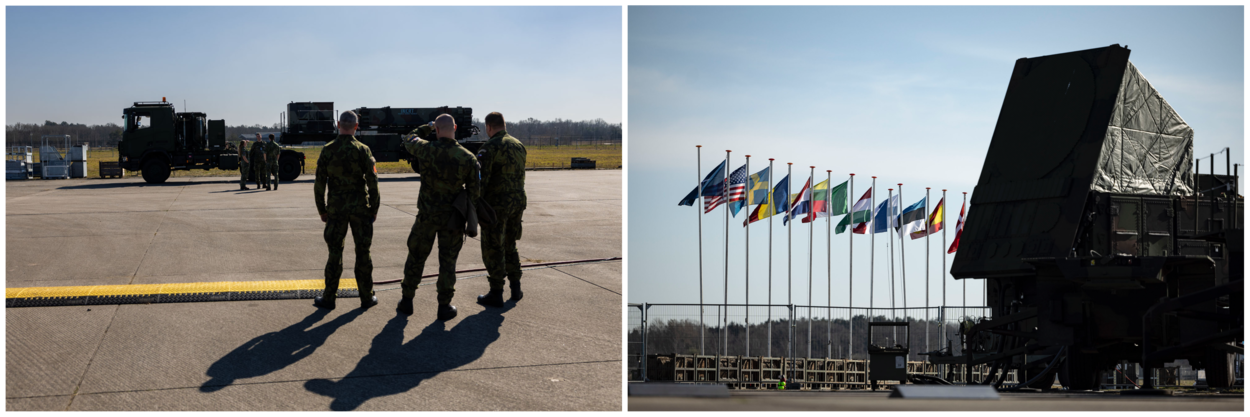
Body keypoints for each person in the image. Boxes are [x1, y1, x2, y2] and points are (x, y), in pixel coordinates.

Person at [397, 114, 480, 321]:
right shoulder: (468, 158)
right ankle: (444, 305)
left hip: (427, 216)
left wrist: (426, 127)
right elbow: (475, 193)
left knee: (416, 256)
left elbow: (409, 138)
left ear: (437, 130)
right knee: (448, 261)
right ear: (455, 127)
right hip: (452, 218)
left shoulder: (426, 148)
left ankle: (407, 300)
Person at [312, 110, 379, 310]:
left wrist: (321, 209)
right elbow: (373, 182)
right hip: (360, 208)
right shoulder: (363, 150)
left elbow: (319, 184)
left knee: (334, 253)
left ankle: (329, 298)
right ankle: (367, 297)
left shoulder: (328, 150)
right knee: (363, 253)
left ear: (338, 124)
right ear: (356, 127)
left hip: (336, 209)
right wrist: (374, 208)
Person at [474, 112, 527, 307]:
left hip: (496, 206)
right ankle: (516, 288)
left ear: (488, 127)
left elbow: (482, 181)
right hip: (517, 203)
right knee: (510, 244)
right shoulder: (519, 145)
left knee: (493, 247)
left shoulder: (489, 148)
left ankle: (496, 293)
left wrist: (474, 204)